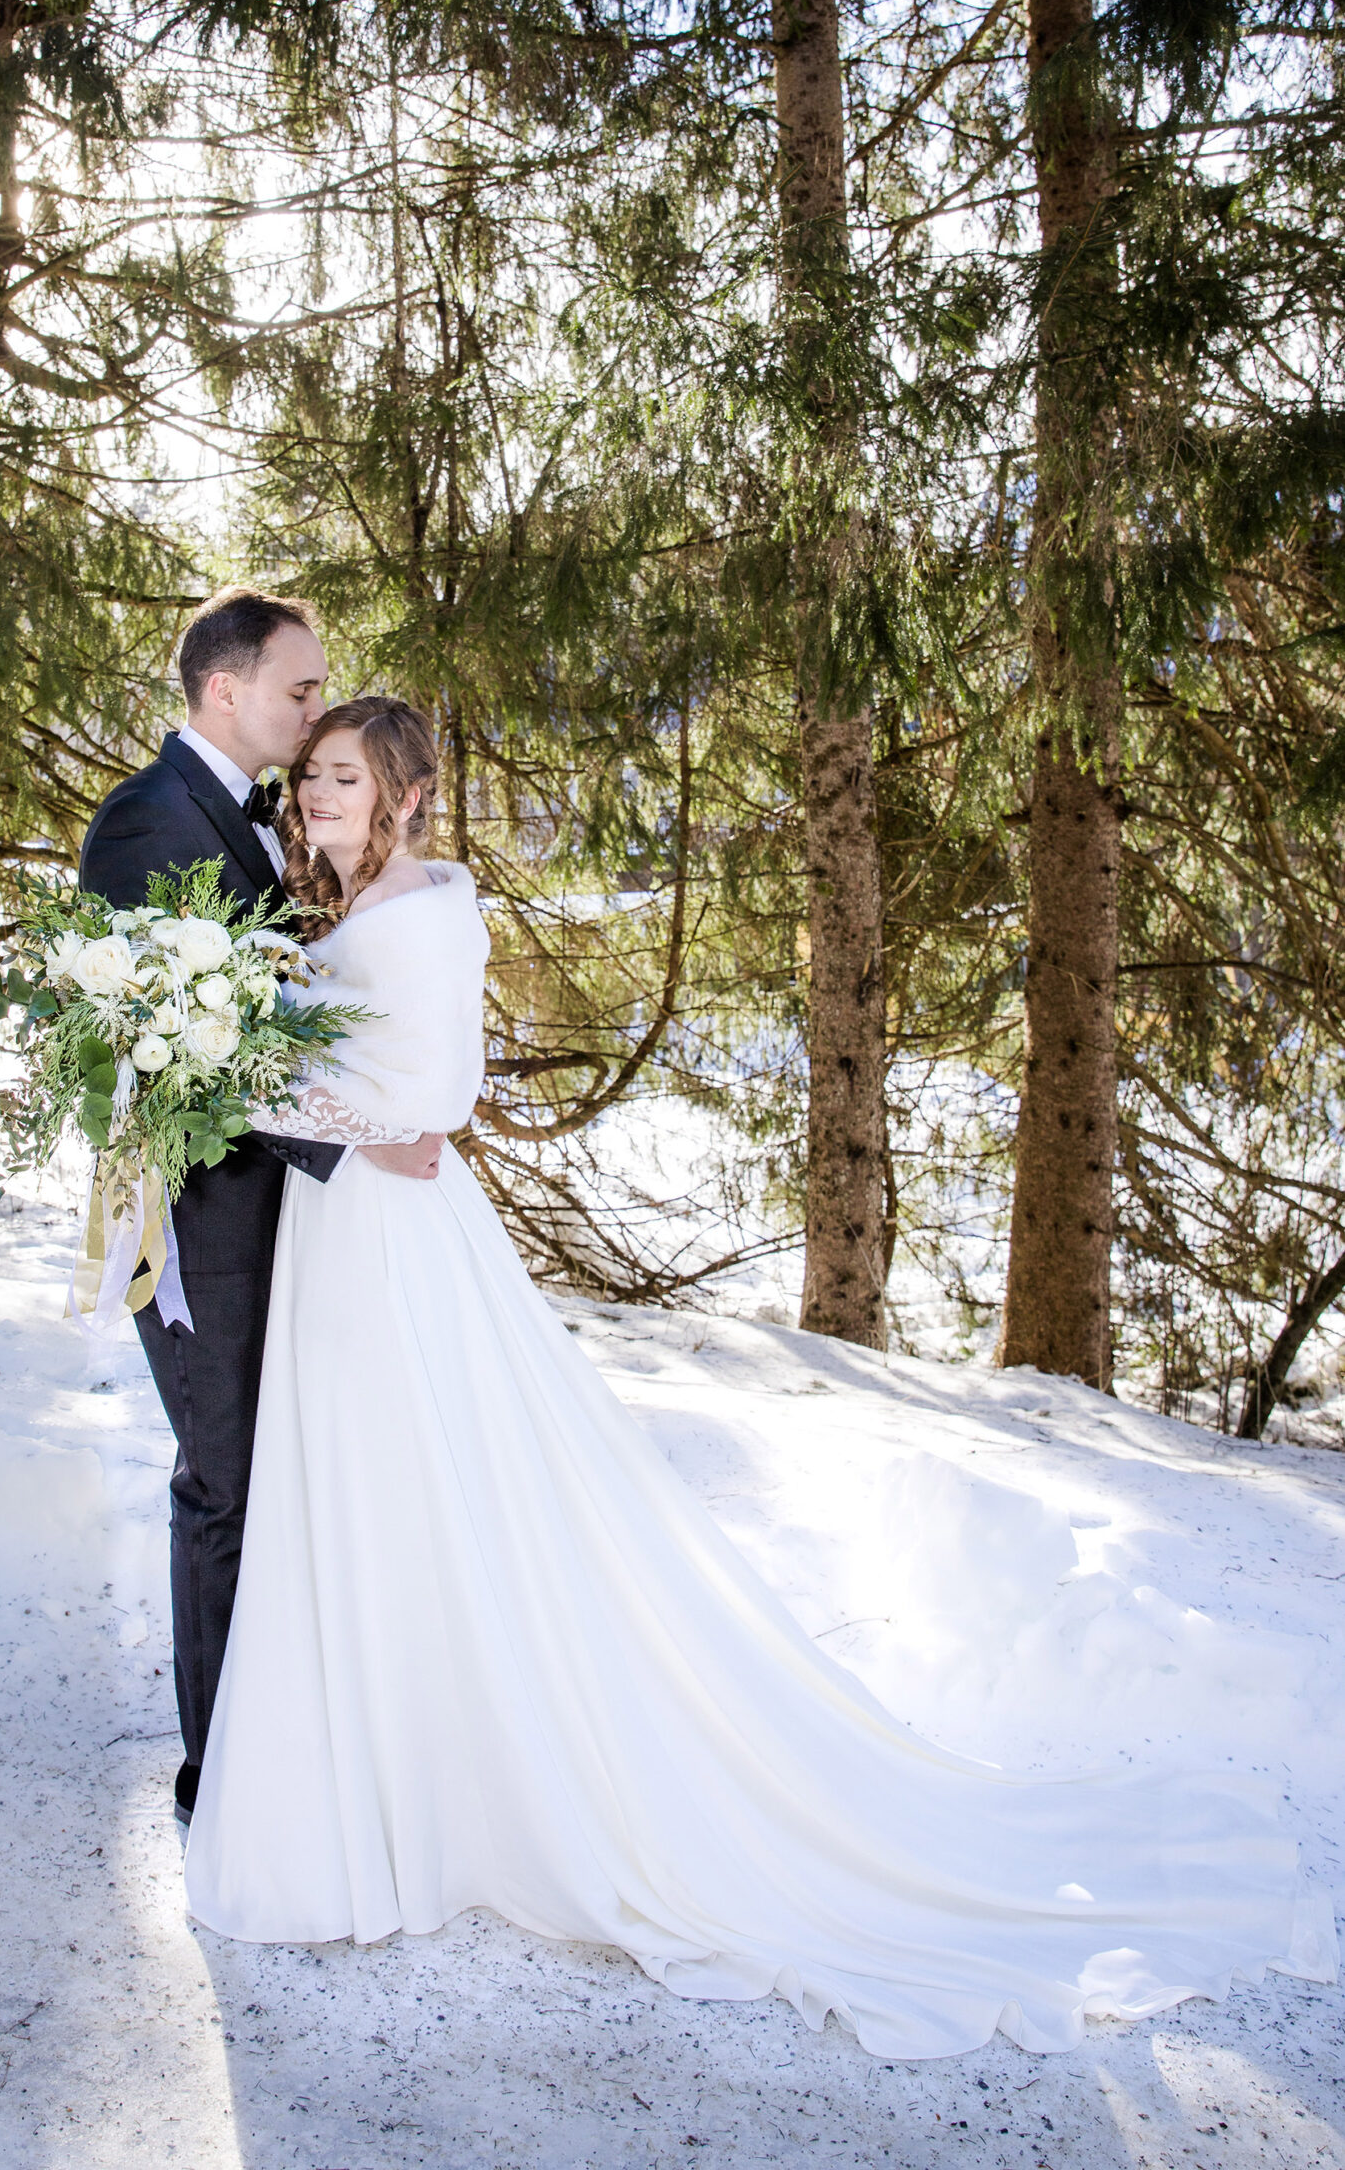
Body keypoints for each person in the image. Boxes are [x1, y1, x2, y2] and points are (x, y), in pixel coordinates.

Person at [180, 692, 1336, 2060]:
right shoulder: (345, 904)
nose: (318, 798)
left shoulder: (424, 907)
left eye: (346, 780)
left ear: (407, 796)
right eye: (310, 777)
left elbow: (430, 1097)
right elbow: (360, 1086)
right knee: (365, 1505)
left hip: (390, 1246)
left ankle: (434, 1804)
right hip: (347, 1231)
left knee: (409, 1492)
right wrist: (264, 1065)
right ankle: (376, 1801)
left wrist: (236, 1074)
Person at [77, 594, 439, 1827]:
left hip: (284, 1217)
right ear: (224, 690)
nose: (312, 703)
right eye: (299, 686)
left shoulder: (265, 827)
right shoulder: (143, 820)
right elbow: (186, 1053)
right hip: (198, 1226)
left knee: (290, 1477)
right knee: (224, 1481)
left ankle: (288, 1739)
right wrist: (357, 1143)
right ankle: (217, 1771)